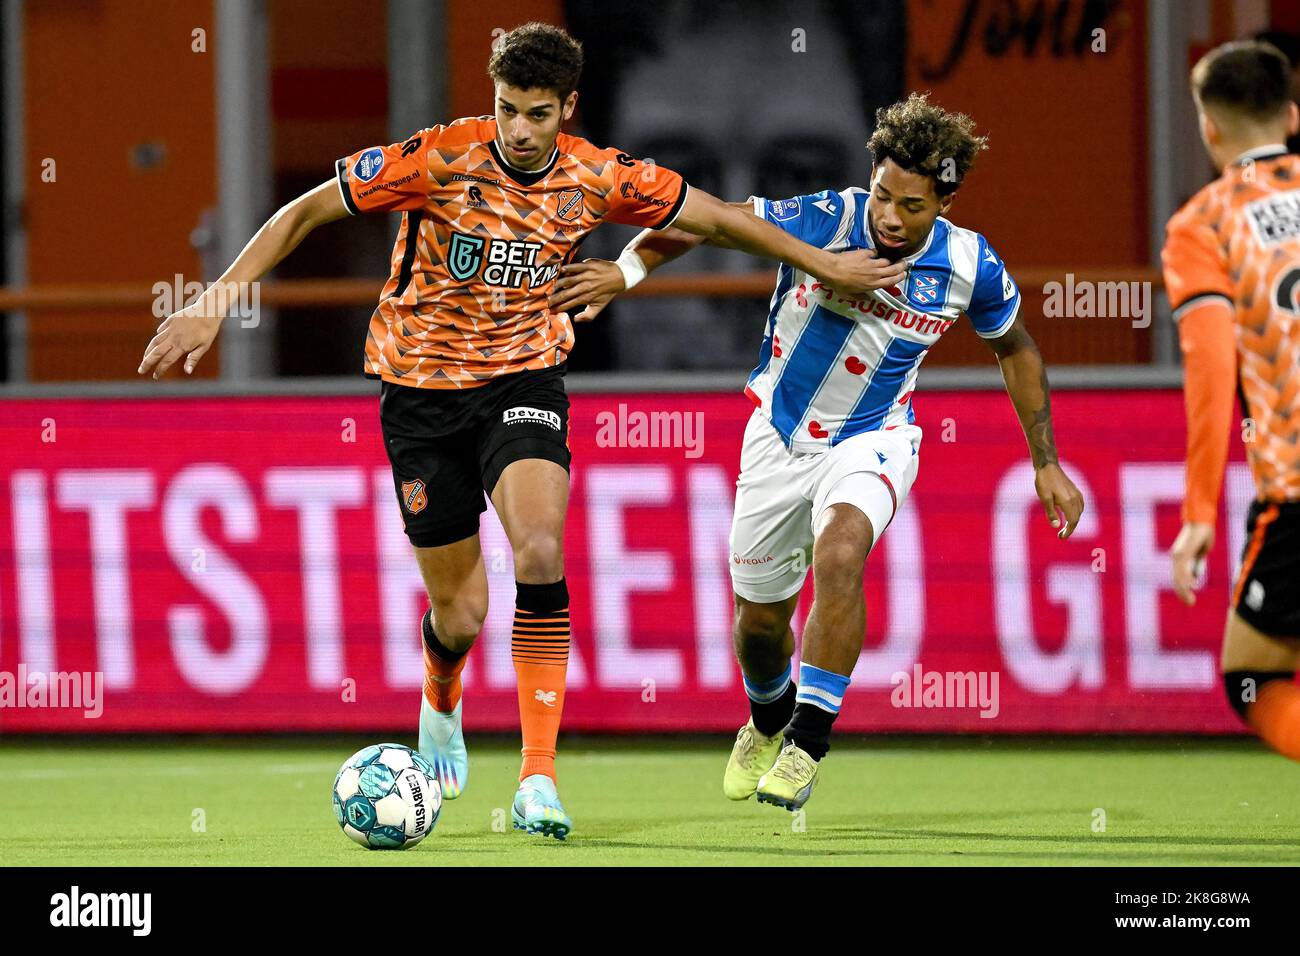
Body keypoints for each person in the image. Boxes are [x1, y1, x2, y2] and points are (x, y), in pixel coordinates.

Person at [137, 22, 904, 838]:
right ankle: (442, 691)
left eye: (538, 114)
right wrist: (214, 301)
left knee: (540, 549)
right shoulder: (437, 160)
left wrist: (819, 265)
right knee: (460, 614)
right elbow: (304, 212)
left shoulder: (597, 174)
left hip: (524, 380)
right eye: (507, 110)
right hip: (419, 394)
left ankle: (538, 777)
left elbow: (718, 218)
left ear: (568, 108)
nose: (519, 129)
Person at [551, 92, 1085, 810]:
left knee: (840, 556)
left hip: (874, 439)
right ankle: (768, 715)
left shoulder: (968, 266)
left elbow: (1015, 348)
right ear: (872, 173)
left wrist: (1045, 459)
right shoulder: (826, 218)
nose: (892, 218)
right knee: (760, 627)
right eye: (886, 195)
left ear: (945, 201)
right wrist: (625, 271)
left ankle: (806, 741)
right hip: (776, 438)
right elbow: (709, 221)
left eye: (914, 207)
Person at [1164, 40, 1300, 762]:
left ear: (1209, 129)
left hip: (1296, 491)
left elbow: (1213, 369)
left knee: (1253, 680)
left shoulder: (1204, 224)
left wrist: (1197, 514)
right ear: (1293, 113)